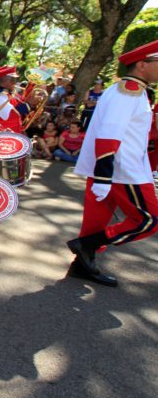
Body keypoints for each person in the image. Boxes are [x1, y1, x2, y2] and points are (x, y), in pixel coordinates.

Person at [67, 39, 158, 287]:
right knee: (149, 220)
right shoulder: (129, 91)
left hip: (113, 169)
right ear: (142, 64)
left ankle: (83, 264)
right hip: (122, 171)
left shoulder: (127, 89)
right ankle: (87, 246)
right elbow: (109, 134)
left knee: (95, 222)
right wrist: (104, 176)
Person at [0, 65, 38, 133]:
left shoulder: (6, 94)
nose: (15, 82)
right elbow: (13, 113)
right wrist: (29, 104)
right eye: (13, 80)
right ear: (4, 81)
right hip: (1, 138)